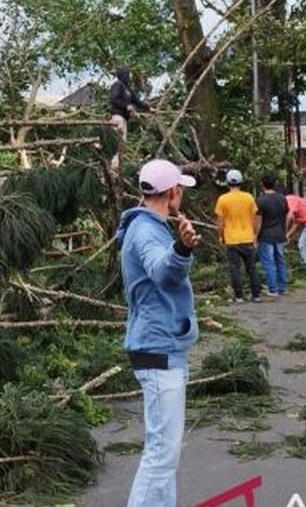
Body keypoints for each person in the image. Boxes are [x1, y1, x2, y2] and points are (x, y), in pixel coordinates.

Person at [117, 158, 200, 507]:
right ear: (173, 193)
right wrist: (181, 249)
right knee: (162, 452)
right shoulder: (148, 231)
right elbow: (163, 272)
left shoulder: (146, 226)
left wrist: (178, 247)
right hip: (158, 347)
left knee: (165, 450)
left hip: (160, 345)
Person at [215, 169, 262, 303]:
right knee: (251, 268)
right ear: (241, 181)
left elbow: (220, 221)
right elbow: (254, 218)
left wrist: (220, 235)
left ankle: (239, 296)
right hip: (247, 237)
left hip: (231, 239)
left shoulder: (223, 199)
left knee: (235, 269)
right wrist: (254, 234)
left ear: (228, 182)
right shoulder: (248, 197)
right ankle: (256, 295)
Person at [255, 173, 290, 297]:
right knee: (280, 260)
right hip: (279, 234)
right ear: (275, 184)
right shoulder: (282, 198)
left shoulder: (261, 200)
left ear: (262, 184)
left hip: (266, 235)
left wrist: (255, 237)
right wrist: (285, 232)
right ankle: (283, 287)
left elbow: (258, 222)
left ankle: (273, 288)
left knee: (269, 262)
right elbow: (286, 217)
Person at [108, 66, 150, 143]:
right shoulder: (117, 85)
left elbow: (137, 101)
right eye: (129, 74)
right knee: (117, 142)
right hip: (117, 117)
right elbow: (114, 99)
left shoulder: (127, 89)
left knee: (123, 143)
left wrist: (149, 108)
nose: (130, 76)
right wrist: (126, 106)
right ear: (125, 75)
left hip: (124, 118)